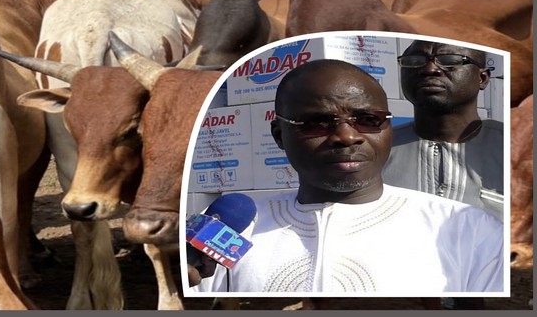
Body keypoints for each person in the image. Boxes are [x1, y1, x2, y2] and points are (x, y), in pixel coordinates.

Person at [193, 59, 503, 294]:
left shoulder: (468, 229)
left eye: (368, 120)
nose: (347, 137)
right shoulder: (235, 228)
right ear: (279, 135)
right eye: (316, 123)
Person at [383, 41, 502, 310]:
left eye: (449, 60)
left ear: (482, 78)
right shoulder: (373, 152)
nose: (429, 69)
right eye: (413, 62)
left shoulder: (514, 149)